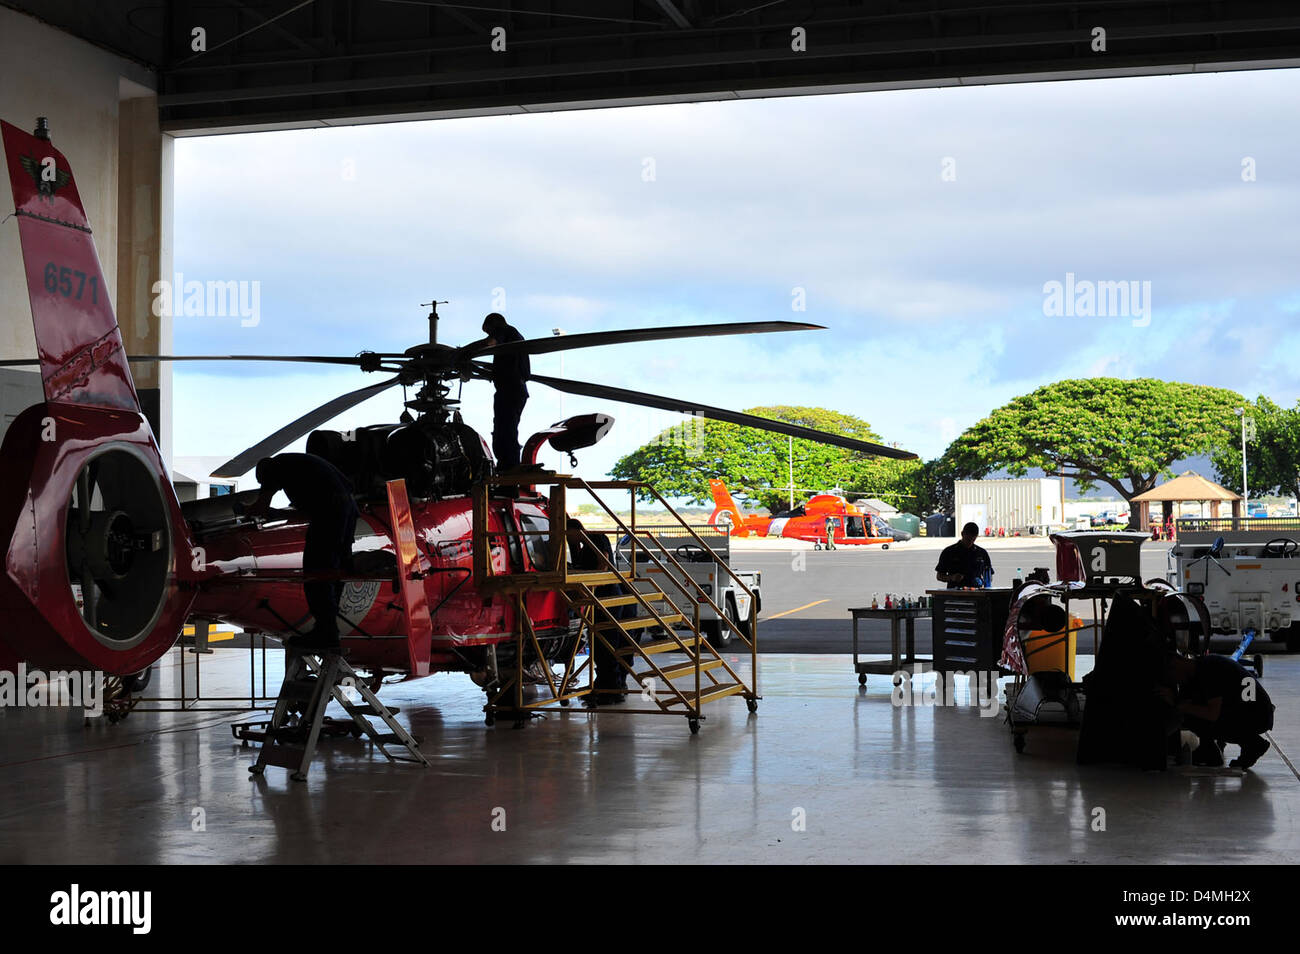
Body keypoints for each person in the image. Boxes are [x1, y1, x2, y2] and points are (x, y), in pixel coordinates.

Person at [237, 453, 359, 650]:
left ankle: (325, 632)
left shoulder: (274, 468)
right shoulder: (302, 468)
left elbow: (260, 506)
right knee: (335, 572)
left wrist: (246, 509)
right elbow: (307, 510)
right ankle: (329, 629)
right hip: (348, 511)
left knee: (316, 572)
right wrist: (277, 513)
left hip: (330, 515)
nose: (265, 487)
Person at [1165, 653, 1274, 769]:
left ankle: (1253, 743)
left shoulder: (1209, 669)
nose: (1174, 680)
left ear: (1177, 663)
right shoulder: (1193, 674)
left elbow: (1212, 714)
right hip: (1245, 711)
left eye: (1171, 674)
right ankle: (1208, 750)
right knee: (1190, 714)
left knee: (1194, 712)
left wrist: (1179, 705)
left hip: (1256, 715)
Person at [566, 519, 627, 705]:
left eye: (568, 535)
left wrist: (588, 586)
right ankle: (603, 686)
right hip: (597, 599)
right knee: (599, 647)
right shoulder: (581, 547)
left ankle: (612, 690)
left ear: (576, 530)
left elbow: (603, 564)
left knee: (607, 646)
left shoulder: (596, 538)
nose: (567, 539)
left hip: (608, 597)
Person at [463, 312, 530, 470]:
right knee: (504, 429)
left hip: (510, 391)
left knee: (505, 431)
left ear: (494, 325)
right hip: (512, 390)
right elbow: (498, 372)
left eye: (488, 331)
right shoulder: (511, 342)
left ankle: (509, 469)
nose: (489, 334)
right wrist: (474, 368)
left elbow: (489, 343)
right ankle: (507, 467)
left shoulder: (505, 331)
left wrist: (465, 352)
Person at [935, 522, 993, 588]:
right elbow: (939, 576)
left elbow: (989, 575)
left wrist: (983, 583)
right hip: (955, 593)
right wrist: (951, 577)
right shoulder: (949, 552)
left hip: (977, 593)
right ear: (962, 534)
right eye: (968, 539)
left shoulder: (982, 553)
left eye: (973, 539)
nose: (970, 542)